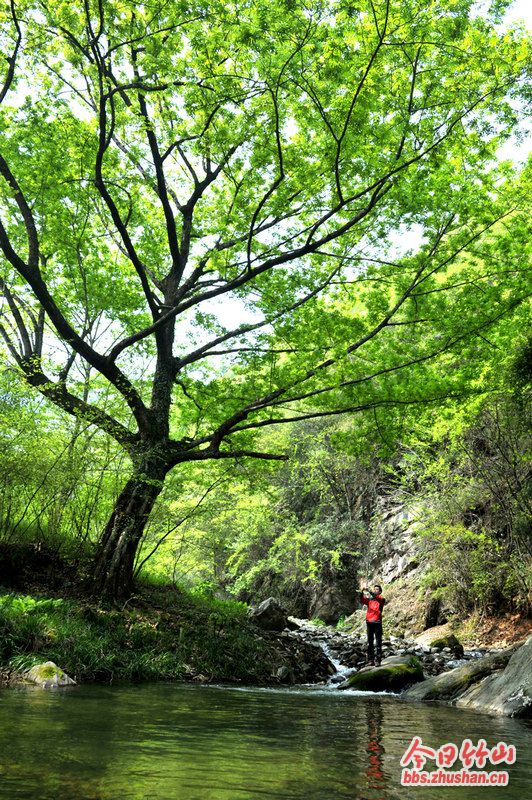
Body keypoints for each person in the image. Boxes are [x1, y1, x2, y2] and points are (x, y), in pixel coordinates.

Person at [360, 583, 386, 666]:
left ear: (380, 592)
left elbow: (376, 597)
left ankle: (378, 660)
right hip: (369, 622)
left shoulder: (381, 599)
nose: (375, 590)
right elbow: (362, 600)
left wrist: (369, 591)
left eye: (377, 589)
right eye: (374, 589)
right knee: (370, 642)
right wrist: (362, 591)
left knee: (378, 642)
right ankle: (371, 661)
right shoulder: (370, 600)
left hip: (377, 622)